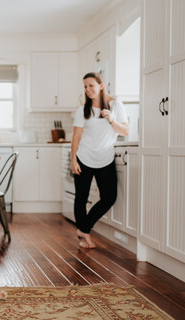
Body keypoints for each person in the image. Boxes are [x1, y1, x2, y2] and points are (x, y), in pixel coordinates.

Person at [70, 72, 129, 249]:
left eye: (91, 86)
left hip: (105, 158)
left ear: (101, 85)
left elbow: (125, 131)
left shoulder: (116, 105)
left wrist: (111, 118)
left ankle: (83, 228)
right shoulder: (82, 110)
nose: (88, 90)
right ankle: (84, 236)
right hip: (84, 157)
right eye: (85, 86)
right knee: (81, 197)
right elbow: (76, 137)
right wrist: (73, 159)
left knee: (109, 197)